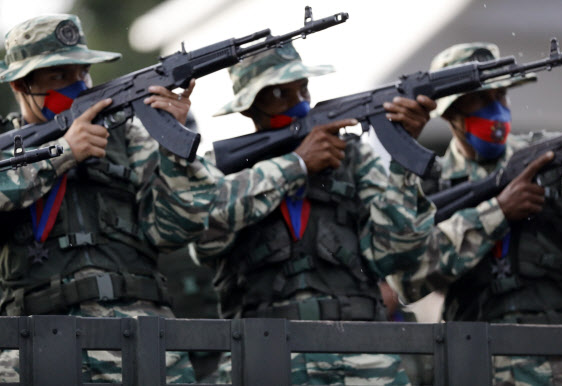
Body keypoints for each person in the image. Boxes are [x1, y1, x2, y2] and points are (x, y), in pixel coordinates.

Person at [193, 41, 437, 385]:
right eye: (279, 94)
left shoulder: (353, 159)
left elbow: (395, 255)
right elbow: (204, 230)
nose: (299, 104)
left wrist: (403, 162)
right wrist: (296, 165)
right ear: (249, 108)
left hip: (361, 356)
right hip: (264, 357)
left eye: (303, 88)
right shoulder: (222, 172)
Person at [0, 14, 221, 383]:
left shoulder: (129, 137)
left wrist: (175, 151)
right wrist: (62, 153)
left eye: (81, 73)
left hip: (143, 341)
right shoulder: (9, 149)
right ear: (23, 85)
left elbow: (175, 230)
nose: (77, 87)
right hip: (36, 343)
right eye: (59, 77)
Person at [389, 42, 562, 385]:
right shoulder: (429, 185)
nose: (497, 110)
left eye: (501, 97)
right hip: (474, 361)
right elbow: (407, 277)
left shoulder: (553, 163)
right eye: (481, 100)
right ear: (451, 114)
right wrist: (499, 211)